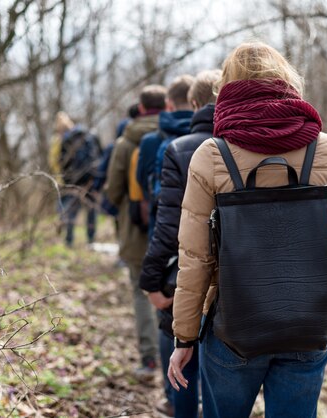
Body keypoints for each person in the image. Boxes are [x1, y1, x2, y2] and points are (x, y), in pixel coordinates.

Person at [168, 42, 327, 418]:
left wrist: (184, 336)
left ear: (228, 87)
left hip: (233, 327)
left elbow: (195, 259)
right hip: (307, 323)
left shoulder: (212, 154)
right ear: (285, 81)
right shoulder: (323, 149)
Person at [139, 70, 221, 418]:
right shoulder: (247, 147)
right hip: (234, 277)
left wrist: (151, 280)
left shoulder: (180, 148)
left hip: (184, 272)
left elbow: (167, 223)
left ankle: (182, 410)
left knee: (182, 350)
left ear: (193, 103)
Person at [105, 85, 167, 379]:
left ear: (141, 107)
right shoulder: (177, 133)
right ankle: (177, 363)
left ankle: (149, 359)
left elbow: (113, 190)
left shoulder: (124, 142)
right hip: (172, 230)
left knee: (142, 292)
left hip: (135, 230)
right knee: (176, 290)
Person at [136, 75, 195, 237]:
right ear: (195, 100)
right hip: (203, 227)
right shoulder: (213, 135)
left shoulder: (150, 141)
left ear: (169, 104)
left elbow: (142, 178)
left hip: (162, 225)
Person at [51, 111, 101, 247]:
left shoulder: (65, 140)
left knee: (71, 211)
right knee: (91, 210)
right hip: (90, 179)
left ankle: (69, 240)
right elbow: (99, 157)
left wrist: (66, 182)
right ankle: (91, 240)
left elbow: (61, 163)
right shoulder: (89, 136)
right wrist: (96, 179)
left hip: (73, 181)